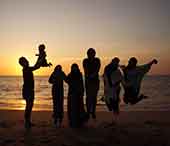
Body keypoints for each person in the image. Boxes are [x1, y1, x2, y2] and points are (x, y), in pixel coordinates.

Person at [19, 56, 43, 129]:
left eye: (26, 60)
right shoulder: (26, 69)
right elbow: (36, 67)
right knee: (29, 106)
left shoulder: (27, 69)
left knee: (29, 106)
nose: (27, 61)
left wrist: (40, 59)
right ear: (23, 63)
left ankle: (28, 122)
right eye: (25, 61)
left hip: (29, 90)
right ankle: (27, 122)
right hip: (27, 90)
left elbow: (36, 66)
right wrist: (41, 58)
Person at [103, 57, 124, 124]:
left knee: (115, 102)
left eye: (117, 62)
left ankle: (115, 119)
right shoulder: (107, 68)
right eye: (115, 62)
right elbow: (106, 77)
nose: (116, 63)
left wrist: (116, 84)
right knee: (109, 103)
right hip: (109, 87)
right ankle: (115, 116)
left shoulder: (117, 69)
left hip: (116, 88)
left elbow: (120, 78)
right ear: (112, 61)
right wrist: (109, 84)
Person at [66, 64, 88, 128]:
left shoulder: (80, 75)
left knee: (80, 108)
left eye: (75, 68)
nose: (74, 69)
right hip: (72, 94)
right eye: (73, 68)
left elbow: (81, 84)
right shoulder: (70, 75)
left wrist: (82, 92)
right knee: (72, 109)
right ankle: (72, 122)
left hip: (79, 93)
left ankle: (80, 122)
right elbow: (67, 81)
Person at [83, 48, 101, 119]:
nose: (90, 55)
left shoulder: (97, 60)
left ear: (94, 54)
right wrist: (90, 76)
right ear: (87, 54)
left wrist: (93, 75)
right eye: (89, 53)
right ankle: (88, 112)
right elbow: (85, 69)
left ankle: (93, 111)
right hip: (88, 81)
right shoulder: (85, 61)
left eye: (92, 53)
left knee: (94, 97)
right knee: (88, 97)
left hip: (95, 81)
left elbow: (98, 69)